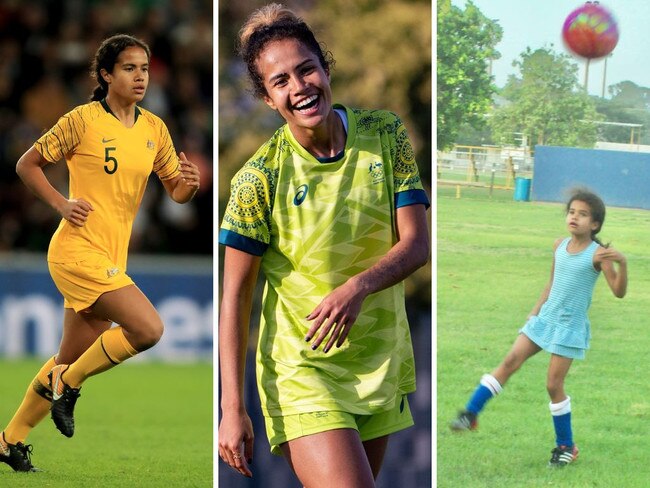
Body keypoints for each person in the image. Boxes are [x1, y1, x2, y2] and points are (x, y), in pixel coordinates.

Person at [217, 3, 430, 486]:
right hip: (303, 372)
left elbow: (416, 245)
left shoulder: (386, 133)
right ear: (268, 100)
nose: (299, 88)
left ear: (325, 68)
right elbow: (234, 298)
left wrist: (356, 288)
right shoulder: (258, 179)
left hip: (378, 360)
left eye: (306, 69)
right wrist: (232, 408)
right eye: (281, 81)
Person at [0, 34, 200, 472]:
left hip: (111, 255)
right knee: (148, 329)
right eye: (129, 68)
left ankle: (9, 440)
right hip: (76, 251)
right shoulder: (82, 120)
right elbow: (26, 165)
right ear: (106, 75)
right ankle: (68, 386)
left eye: (144, 68)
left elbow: (177, 192)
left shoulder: (154, 129)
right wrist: (62, 205)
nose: (140, 76)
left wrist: (190, 184)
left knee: (67, 356)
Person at [450, 188, 627, 467]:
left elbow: (618, 292)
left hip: (569, 328)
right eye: (571, 212)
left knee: (553, 385)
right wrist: (532, 316)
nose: (574, 218)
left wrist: (623, 264)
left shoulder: (599, 255)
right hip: (544, 321)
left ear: (594, 224)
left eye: (583, 215)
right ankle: (470, 413)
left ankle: (566, 446)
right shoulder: (559, 246)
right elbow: (551, 284)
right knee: (509, 360)